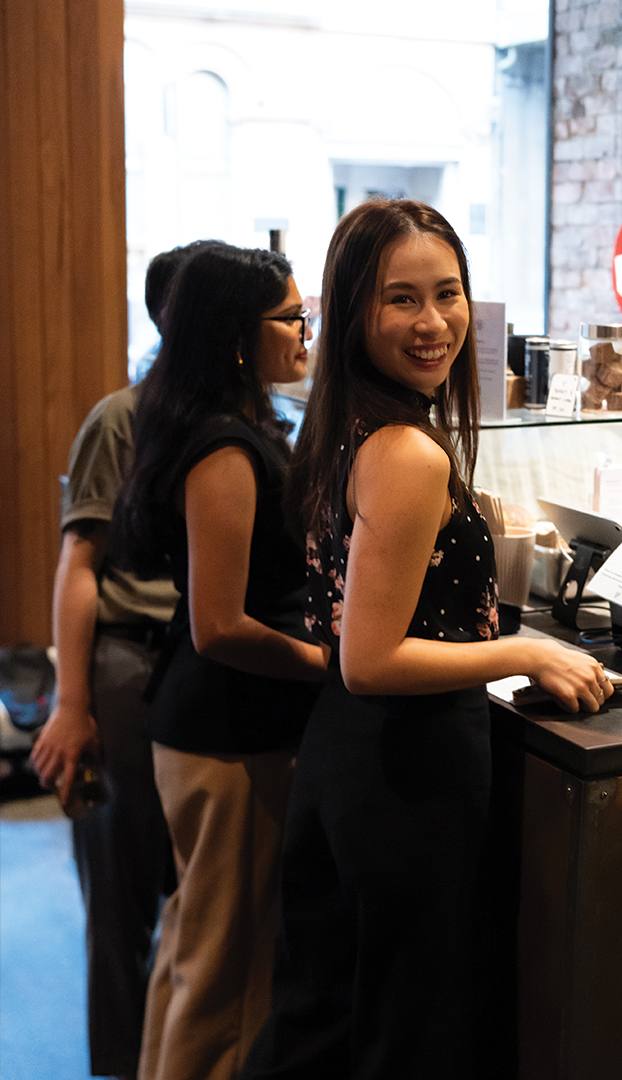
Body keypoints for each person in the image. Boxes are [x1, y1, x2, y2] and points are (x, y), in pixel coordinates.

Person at [241, 200, 612, 1080]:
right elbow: (375, 658)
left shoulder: (347, 425)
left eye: (447, 294)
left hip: (348, 755)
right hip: (403, 768)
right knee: (403, 1037)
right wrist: (530, 651)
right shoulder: (407, 451)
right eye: (400, 299)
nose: (433, 322)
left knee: (332, 1018)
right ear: (353, 311)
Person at [113, 242, 327, 1080]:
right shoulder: (225, 448)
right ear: (241, 335)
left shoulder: (229, 424)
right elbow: (220, 624)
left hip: (216, 727)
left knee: (192, 954)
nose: (308, 330)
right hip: (229, 733)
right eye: (291, 317)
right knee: (226, 979)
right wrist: (330, 662)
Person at [29, 242, 205, 1080]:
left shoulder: (233, 423)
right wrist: (71, 703)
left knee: (188, 899)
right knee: (121, 895)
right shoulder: (122, 418)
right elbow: (80, 563)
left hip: (197, 671)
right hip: (126, 669)